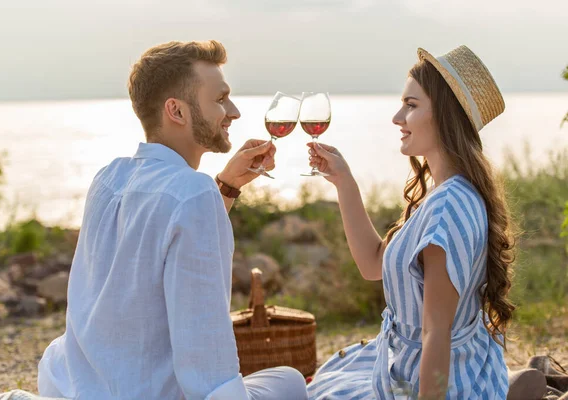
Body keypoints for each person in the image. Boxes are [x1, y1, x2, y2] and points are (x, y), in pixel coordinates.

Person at [37, 40, 308, 400]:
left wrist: (225, 187)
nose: (234, 111)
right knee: (289, 380)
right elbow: (205, 356)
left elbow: (154, 250)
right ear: (176, 111)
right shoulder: (193, 194)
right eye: (220, 99)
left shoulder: (108, 178)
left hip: (77, 385)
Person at [305, 45, 515, 399]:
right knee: (332, 377)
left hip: (428, 385)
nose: (397, 117)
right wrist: (344, 181)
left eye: (411, 105)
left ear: (445, 117)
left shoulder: (447, 210)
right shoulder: (444, 192)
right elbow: (373, 264)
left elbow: (437, 333)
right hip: (423, 368)